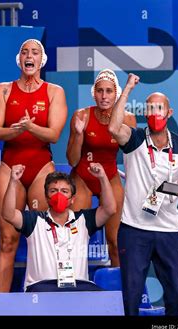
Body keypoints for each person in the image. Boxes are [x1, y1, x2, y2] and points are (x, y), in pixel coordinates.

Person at [109, 73, 178, 315]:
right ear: (145, 113)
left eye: (160, 108)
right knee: (132, 297)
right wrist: (126, 89)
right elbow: (114, 127)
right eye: (150, 108)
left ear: (169, 113)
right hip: (134, 229)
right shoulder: (134, 139)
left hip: (168, 230)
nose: (155, 113)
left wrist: (174, 189)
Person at [0, 38, 68, 292]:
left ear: (41, 60)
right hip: (10, 165)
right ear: (19, 59)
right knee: (7, 240)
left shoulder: (55, 91)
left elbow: (54, 134)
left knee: (43, 239)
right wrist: (18, 131)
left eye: (34, 52)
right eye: (24, 52)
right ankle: (2, 305)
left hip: (40, 167)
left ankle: (45, 299)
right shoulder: (3, 89)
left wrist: (29, 127)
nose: (29, 56)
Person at [1, 162, 116, 292]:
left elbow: (110, 209)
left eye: (64, 191)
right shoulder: (34, 220)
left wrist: (102, 178)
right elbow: (8, 214)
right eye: (53, 191)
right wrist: (13, 181)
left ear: (72, 199)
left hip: (78, 288)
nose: (58, 195)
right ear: (46, 197)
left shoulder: (84, 219)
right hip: (41, 288)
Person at [67, 69, 136, 266]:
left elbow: (135, 156)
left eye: (109, 91)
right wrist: (79, 135)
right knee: (76, 240)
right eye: (100, 91)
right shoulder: (81, 116)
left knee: (115, 242)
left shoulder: (128, 119)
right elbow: (72, 160)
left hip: (110, 178)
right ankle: (73, 289)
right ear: (93, 93)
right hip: (83, 178)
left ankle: (120, 294)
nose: (104, 96)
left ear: (116, 93)